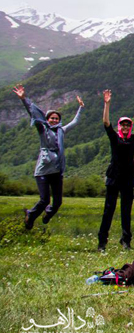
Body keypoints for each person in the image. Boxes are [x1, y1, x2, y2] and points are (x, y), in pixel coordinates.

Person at [13, 84, 84, 229]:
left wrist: (81, 108)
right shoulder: (42, 129)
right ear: (47, 119)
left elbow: (75, 122)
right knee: (44, 199)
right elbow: (33, 113)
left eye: (56, 118)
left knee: (57, 202)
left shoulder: (61, 131)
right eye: (52, 118)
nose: (54, 120)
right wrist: (24, 99)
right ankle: (30, 216)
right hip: (43, 170)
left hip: (57, 170)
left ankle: (48, 214)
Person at [98, 90, 134, 252]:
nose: (125, 127)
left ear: (130, 128)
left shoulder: (132, 139)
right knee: (108, 210)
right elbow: (106, 123)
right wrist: (107, 104)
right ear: (119, 126)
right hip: (113, 176)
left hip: (128, 178)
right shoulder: (114, 137)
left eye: (127, 125)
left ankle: (126, 241)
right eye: (123, 125)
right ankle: (102, 242)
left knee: (126, 211)